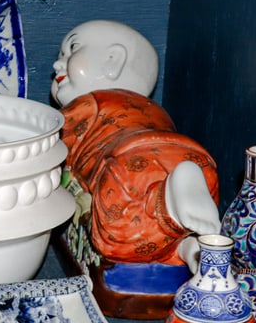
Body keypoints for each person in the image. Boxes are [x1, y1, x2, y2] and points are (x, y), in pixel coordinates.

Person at [50, 20, 220, 271]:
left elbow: (55, 152)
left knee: (110, 236)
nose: (57, 64)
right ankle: (186, 246)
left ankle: (173, 201)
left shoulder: (89, 103)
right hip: (189, 155)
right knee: (156, 227)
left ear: (112, 61)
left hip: (125, 164)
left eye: (72, 48)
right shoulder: (158, 113)